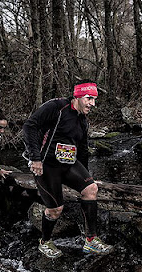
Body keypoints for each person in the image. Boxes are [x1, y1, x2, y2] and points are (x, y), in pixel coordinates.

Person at [22, 80, 113, 258]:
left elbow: (83, 150)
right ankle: (45, 242)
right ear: (77, 96)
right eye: (89, 98)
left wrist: (86, 177)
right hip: (46, 165)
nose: (92, 104)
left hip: (68, 163)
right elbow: (29, 126)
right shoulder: (56, 107)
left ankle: (91, 241)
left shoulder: (82, 121)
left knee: (91, 189)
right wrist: (35, 159)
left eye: (94, 99)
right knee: (56, 209)